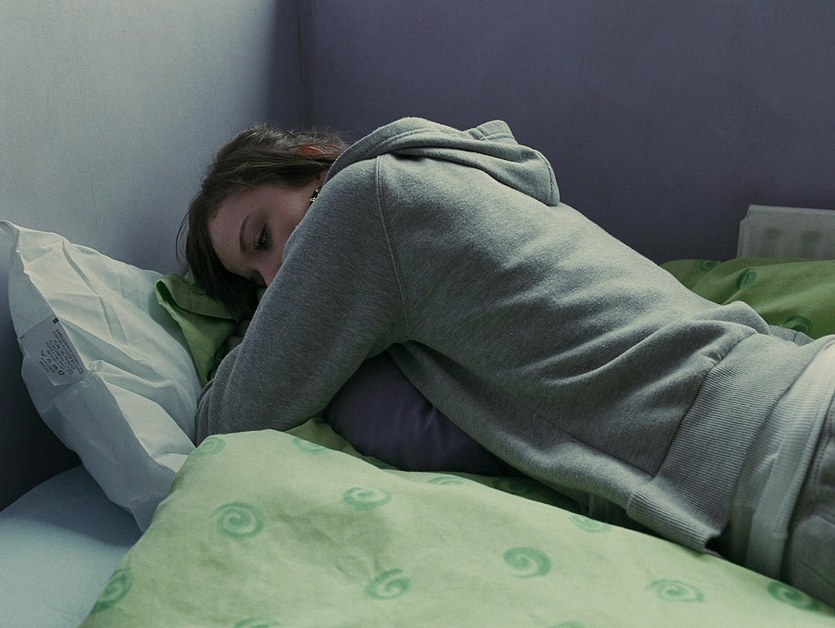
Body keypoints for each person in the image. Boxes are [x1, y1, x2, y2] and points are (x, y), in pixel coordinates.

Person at [182, 117, 835, 606]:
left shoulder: (362, 206)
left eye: (262, 236)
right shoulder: (447, 173)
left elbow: (229, 417)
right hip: (795, 394)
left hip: (785, 460)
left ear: (309, 164)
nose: (278, 278)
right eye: (256, 280)